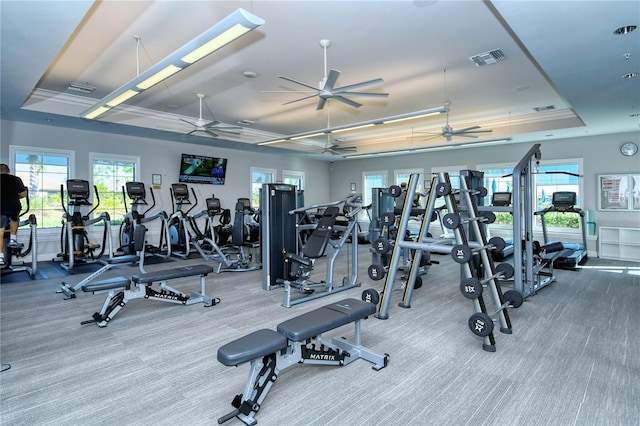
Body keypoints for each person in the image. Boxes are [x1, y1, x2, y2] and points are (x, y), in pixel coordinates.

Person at [0, 163, 27, 266]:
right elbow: (24, 194)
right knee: (15, 218)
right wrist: (15, 197)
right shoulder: (16, 179)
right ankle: (13, 239)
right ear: (8, 171)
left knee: (0, 233)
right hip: (13, 206)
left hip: (0, 208)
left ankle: (0, 257)